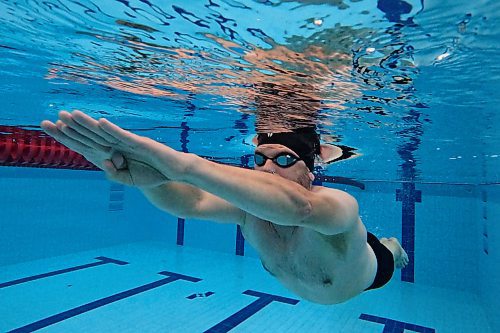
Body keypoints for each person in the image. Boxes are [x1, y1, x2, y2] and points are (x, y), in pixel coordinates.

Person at [40, 110, 408, 305]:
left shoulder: (336, 205)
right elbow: (192, 202)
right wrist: (150, 181)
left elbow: (299, 210)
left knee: (388, 251)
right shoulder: (248, 211)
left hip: (370, 273)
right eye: (260, 160)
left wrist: (185, 166)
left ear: (311, 174)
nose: (266, 169)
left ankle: (391, 245)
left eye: (283, 160)